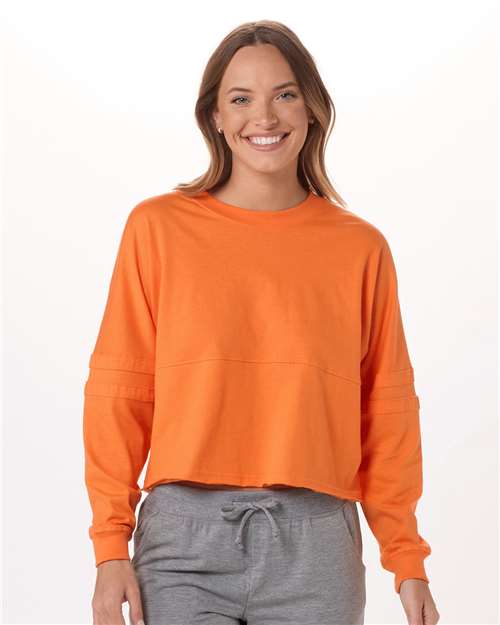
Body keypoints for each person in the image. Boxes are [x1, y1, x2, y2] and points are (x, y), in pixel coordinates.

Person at [83, 19, 440, 625]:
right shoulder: (158, 229)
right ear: (216, 117)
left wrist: (406, 558)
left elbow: (387, 411)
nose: (264, 117)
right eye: (241, 99)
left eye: (285, 94)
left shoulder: (360, 248)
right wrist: (109, 545)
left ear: (312, 108)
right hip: (182, 542)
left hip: (316, 542)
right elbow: (122, 390)